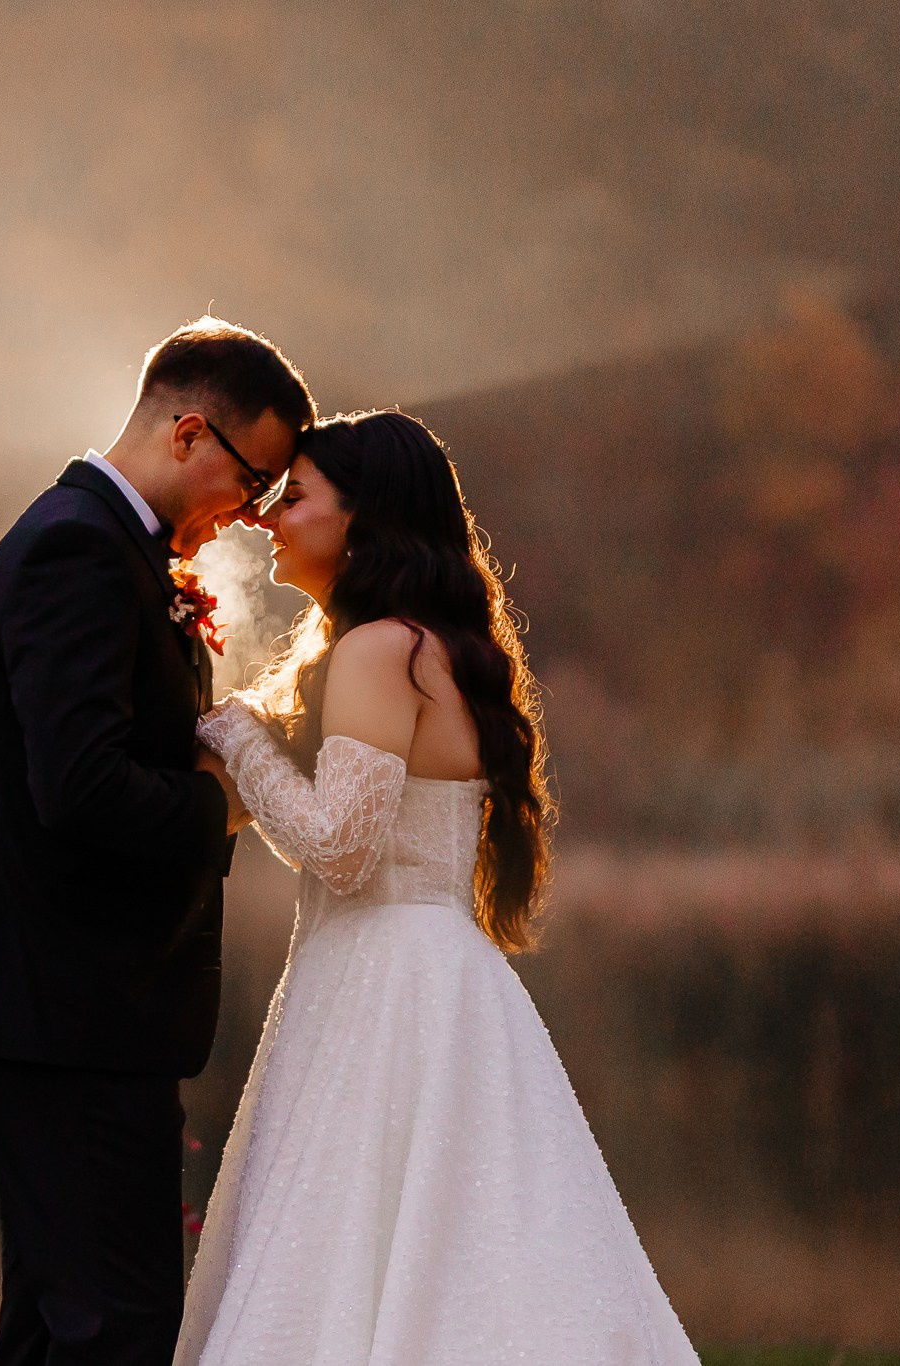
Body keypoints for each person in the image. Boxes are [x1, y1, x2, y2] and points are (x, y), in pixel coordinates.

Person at [175, 410, 701, 1365]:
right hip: (438, 978)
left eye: (293, 498)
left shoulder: (381, 650)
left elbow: (342, 850)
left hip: (386, 985)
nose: (270, 519)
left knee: (360, 1242)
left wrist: (237, 735)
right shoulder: (432, 647)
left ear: (361, 515)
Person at [0, 317, 312, 1365]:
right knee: (114, 1331)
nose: (248, 518)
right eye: (251, 483)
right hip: (71, 1020)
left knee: (60, 1332)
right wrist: (225, 800)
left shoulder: (107, 549)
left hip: (73, 1019)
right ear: (190, 433)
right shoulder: (77, 551)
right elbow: (79, 787)